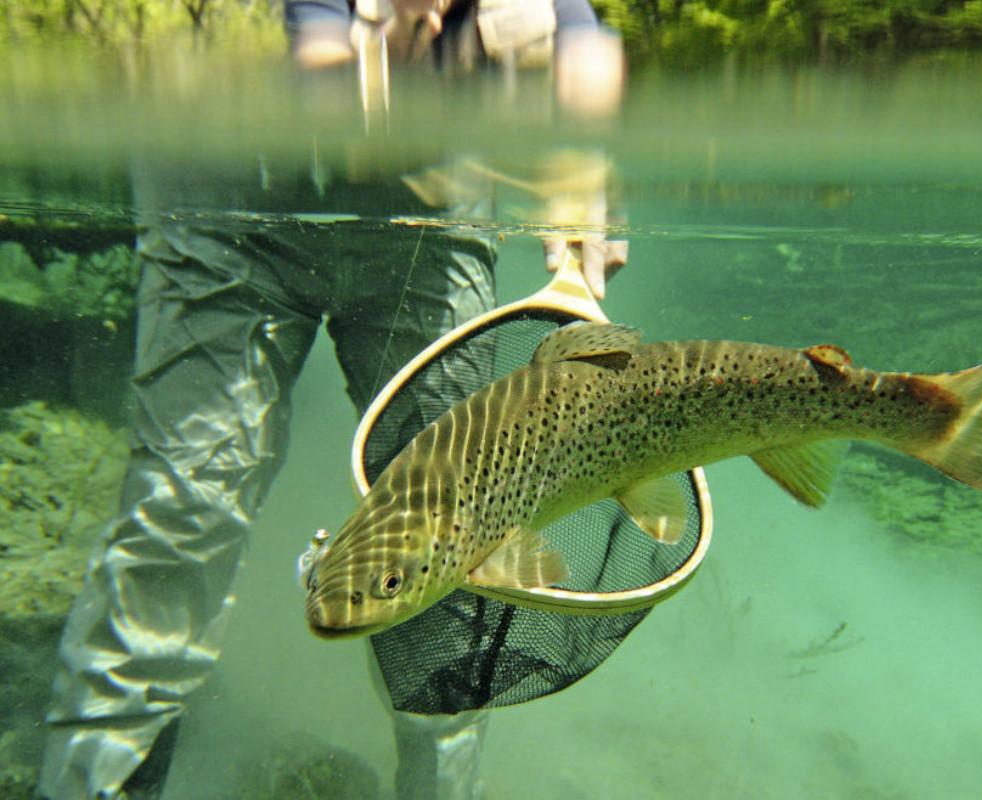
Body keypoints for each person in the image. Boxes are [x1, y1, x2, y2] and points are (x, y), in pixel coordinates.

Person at [36, 1, 627, 798]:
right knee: (182, 514)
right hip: (222, 192)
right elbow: (323, 72)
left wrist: (585, 170)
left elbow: (579, 39)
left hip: (428, 216)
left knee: (454, 535)